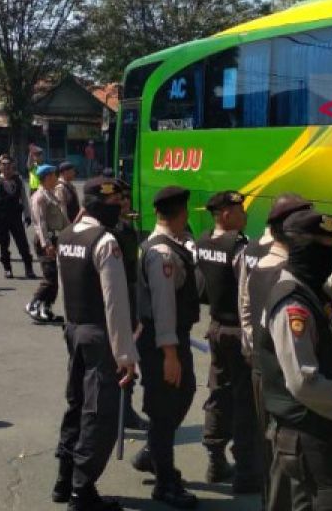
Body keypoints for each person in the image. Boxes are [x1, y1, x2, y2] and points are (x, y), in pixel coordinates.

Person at [255, 207, 332, 511]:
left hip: (316, 430)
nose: (330, 255)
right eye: (322, 247)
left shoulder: (313, 291)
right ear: (301, 248)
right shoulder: (293, 301)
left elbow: (323, 345)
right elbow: (303, 382)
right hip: (307, 436)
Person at [53, 177, 140, 511]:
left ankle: (63, 479)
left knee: (75, 404)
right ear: (99, 204)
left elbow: (65, 288)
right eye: (114, 203)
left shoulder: (67, 236)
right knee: (98, 413)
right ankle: (81, 490)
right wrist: (125, 355)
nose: (118, 208)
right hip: (99, 335)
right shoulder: (105, 241)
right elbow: (115, 302)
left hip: (74, 329)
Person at [238, 192, 312, 510]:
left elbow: (244, 306)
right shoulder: (296, 270)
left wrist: (253, 347)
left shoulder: (252, 255)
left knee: (268, 440)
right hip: (286, 371)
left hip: (261, 365)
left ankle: (271, 497)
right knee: (291, 443)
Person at [133, 185, 199, 508]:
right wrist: (170, 355)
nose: (188, 216)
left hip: (167, 338)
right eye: (185, 211)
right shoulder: (163, 254)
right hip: (165, 342)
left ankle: (154, 454)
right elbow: (163, 307)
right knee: (165, 409)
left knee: (182, 395)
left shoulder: (163, 244)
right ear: (179, 214)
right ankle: (165, 482)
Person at [195, 191, 260, 494]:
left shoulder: (204, 241)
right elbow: (247, 295)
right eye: (239, 209)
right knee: (245, 400)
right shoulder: (239, 247)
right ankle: (247, 471)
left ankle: (214, 460)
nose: (244, 214)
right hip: (238, 332)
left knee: (218, 394)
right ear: (224, 214)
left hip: (216, 327)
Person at [109, 179, 149, 433]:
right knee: (124, 359)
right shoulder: (119, 230)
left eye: (126, 197)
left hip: (125, 298)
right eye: (120, 198)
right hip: (124, 299)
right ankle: (121, 413)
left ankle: (122, 411)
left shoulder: (121, 227)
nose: (125, 202)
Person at [27, 164, 69, 323]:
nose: (56, 178)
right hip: (46, 241)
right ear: (46, 178)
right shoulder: (39, 197)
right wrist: (47, 244)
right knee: (50, 277)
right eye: (53, 175)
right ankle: (33, 304)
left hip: (57, 240)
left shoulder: (51, 194)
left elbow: (62, 218)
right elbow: (40, 223)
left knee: (56, 277)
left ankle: (46, 308)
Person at [0, 154, 37, 280]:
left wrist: (27, 215)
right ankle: (7, 269)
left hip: (15, 217)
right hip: (1, 218)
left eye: (9, 166)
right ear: (0, 167)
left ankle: (29, 269)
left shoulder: (18, 181)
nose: (7, 169)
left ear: (13, 167)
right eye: (4, 166)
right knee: (3, 245)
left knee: (23, 244)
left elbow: (24, 199)